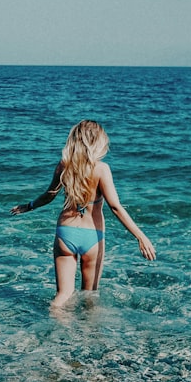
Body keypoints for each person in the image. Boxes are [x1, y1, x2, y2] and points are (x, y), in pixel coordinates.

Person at [11, 120, 156, 309]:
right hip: (92, 236)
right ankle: (87, 337)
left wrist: (28, 206)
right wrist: (141, 237)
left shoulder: (64, 165)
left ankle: (55, 328)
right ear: (98, 142)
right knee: (89, 297)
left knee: (63, 295)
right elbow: (115, 207)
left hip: (65, 233)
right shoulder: (101, 169)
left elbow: (49, 195)